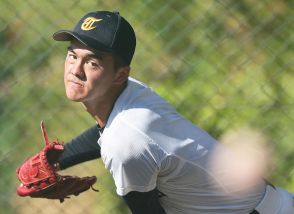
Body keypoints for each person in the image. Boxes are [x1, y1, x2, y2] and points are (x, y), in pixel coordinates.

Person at [52, 10, 294, 214]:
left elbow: (127, 143)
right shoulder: (132, 94)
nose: (76, 70)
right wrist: (57, 159)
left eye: (92, 63)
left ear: (120, 74)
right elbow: (107, 129)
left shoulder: (125, 143)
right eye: (72, 56)